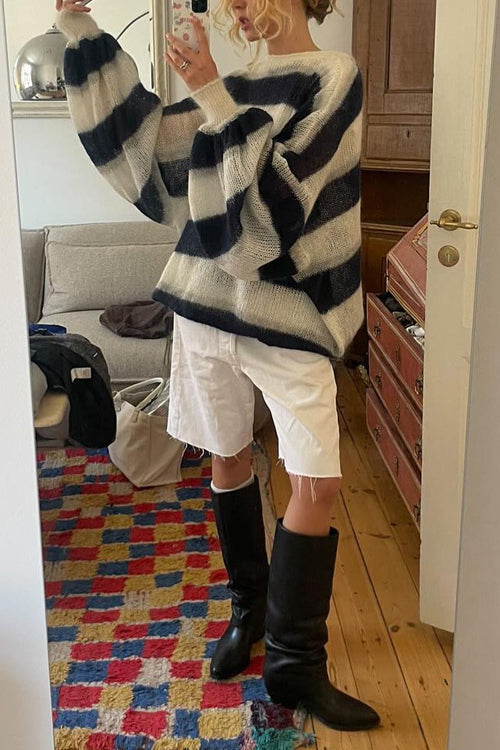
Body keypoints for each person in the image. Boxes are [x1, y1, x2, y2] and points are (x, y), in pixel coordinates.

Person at [54, 0, 380, 732]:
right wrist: (81, 32)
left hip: (289, 317)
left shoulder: (333, 75)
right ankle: (248, 613)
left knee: (318, 480)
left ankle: (295, 664)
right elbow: (152, 159)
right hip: (203, 307)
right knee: (227, 458)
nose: (234, 6)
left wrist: (209, 92)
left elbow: (278, 208)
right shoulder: (234, 82)